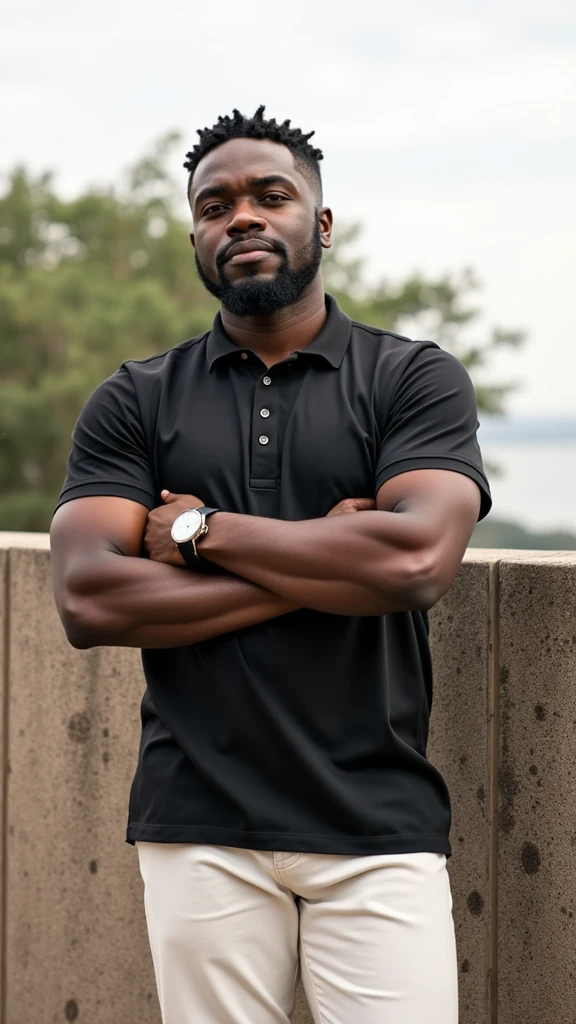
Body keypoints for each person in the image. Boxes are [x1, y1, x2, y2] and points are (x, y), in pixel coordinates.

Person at [51, 105, 491, 1024]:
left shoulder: (411, 379)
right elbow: (90, 597)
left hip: (376, 819)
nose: (241, 217)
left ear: (320, 225)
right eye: (216, 207)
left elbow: (412, 560)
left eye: (270, 196)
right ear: (197, 241)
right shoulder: (135, 399)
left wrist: (200, 531)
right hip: (197, 820)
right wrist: (326, 567)